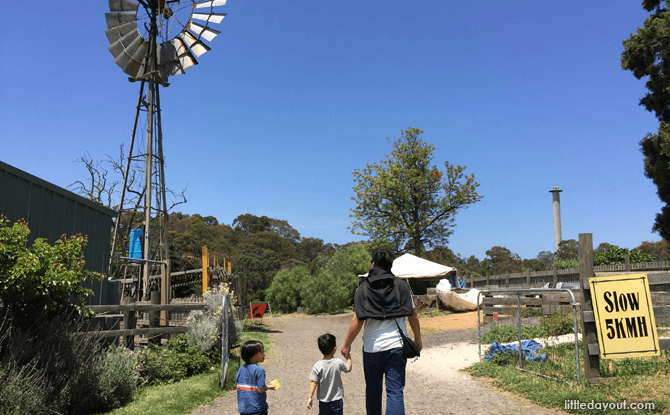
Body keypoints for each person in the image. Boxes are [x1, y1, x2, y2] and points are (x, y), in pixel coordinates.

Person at [341, 248, 422, 415]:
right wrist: (418, 339)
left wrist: (346, 345)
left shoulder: (362, 289)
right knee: (394, 392)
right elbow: (413, 315)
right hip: (397, 347)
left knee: (373, 391)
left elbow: (357, 321)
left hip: (372, 348)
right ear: (391, 265)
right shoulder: (401, 286)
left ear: (372, 264)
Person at [307, 333, 353, 414]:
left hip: (323, 402)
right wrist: (348, 358)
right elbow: (348, 368)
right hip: (337, 401)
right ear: (334, 349)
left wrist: (310, 397)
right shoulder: (338, 362)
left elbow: (314, 382)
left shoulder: (317, 365)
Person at [236, 340, 277, 415]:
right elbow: (261, 389)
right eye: (261, 352)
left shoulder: (241, 369)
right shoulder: (259, 370)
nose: (264, 354)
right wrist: (269, 387)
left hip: (243, 409)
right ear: (252, 356)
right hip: (257, 409)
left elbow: (238, 385)